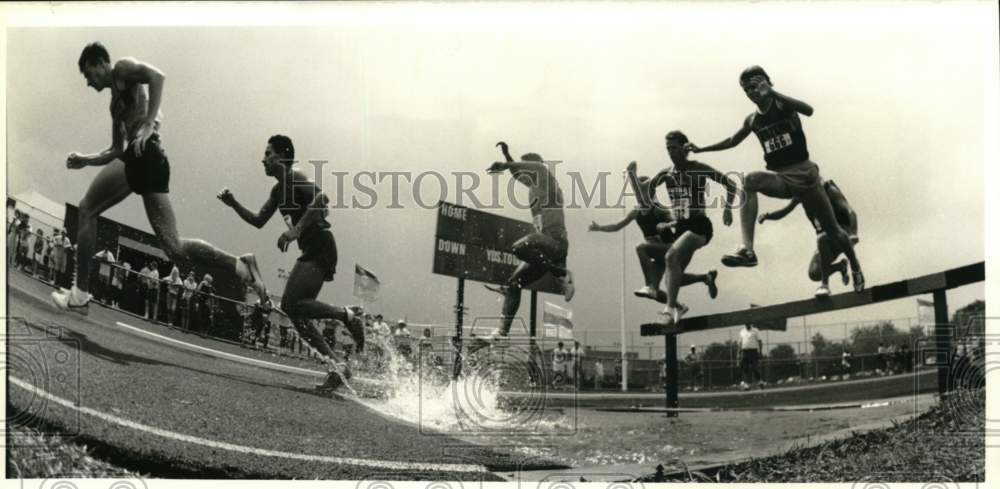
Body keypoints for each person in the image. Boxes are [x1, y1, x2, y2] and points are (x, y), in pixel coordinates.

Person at [52, 41, 269, 315]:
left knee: (87, 209)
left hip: (145, 155)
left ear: (99, 63)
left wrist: (147, 123)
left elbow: (157, 76)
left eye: (87, 73)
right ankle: (240, 265)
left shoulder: (122, 69)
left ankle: (80, 293)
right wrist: (86, 159)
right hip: (146, 161)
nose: (88, 82)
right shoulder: (114, 106)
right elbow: (116, 149)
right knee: (174, 248)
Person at [684, 66, 864, 292]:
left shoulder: (781, 104)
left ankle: (855, 267)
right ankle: (748, 250)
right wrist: (701, 150)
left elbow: (809, 110)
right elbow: (732, 141)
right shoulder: (752, 120)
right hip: (783, 178)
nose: (753, 91)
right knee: (749, 180)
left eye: (757, 85)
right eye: (747, 89)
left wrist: (773, 94)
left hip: (807, 177)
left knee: (834, 232)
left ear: (768, 83)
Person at [217, 134, 364, 391]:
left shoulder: (295, 177)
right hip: (312, 248)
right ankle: (336, 367)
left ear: (283, 156)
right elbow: (258, 220)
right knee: (296, 313)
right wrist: (233, 204)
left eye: (268, 154)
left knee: (290, 304)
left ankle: (347, 316)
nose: (263, 159)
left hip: (321, 245)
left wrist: (295, 231)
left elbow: (322, 200)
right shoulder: (277, 190)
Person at [589, 163, 720, 303]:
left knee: (641, 248)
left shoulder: (659, 209)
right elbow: (616, 226)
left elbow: (681, 223)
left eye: (644, 194)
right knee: (668, 285)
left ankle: (649, 285)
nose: (640, 198)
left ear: (651, 194)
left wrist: (668, 225)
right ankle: (700, 283)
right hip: (659, 255)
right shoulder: (636, 212)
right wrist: (599, 228)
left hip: (671, 248)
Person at [486, 142, 575, 337]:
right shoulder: (533, 186)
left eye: (526, 168)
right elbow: (518, 173)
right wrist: (508, 155)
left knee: (518, 248)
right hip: (544, 251)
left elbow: (532, 168)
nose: (523, 176)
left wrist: (505, 163)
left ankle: (562, 274)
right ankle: (501, 333)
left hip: (555, 242)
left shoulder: (545, 177)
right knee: (514, 283)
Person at [649, 131, 737, 324]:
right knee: (671, 278)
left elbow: (730, 184)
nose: (671, 152)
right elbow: (647, 191)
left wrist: (727, 209)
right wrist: (664, 216)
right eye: (668, 149)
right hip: (681, 227)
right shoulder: (666, 174)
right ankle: (705, 278)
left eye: (674, 148)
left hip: (699, 226)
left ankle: (669, 310)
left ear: (685, 148)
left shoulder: (698, 168)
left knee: (670, 257)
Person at [758, 179, 859, 297]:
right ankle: (840, 266)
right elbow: (784, 211)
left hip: (842, 233)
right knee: (814, 273)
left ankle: (825, 285)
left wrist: (852, 234)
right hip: (825, 240)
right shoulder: (801, 195)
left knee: (822, 238)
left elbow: (850, 212)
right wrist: (768, 216)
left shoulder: (829, 190)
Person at [739, 324, 764, 390]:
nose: (747, 324)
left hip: (753, 351)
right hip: (744, 351)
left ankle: (760, 382)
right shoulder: (742, 331)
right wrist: (739, 353)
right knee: (745, 368)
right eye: (746, 323)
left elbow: (760, 341)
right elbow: (740, 343)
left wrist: (760, 352)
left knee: (754, 368)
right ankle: (746, 385)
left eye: (748, 322)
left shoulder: (755, 331)